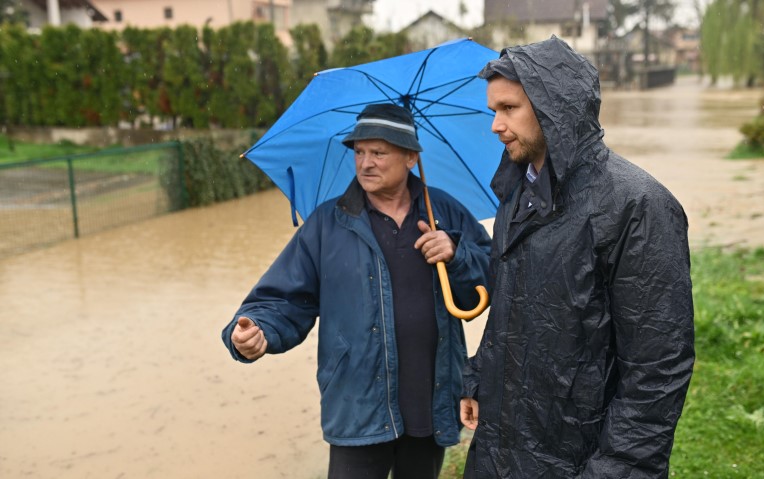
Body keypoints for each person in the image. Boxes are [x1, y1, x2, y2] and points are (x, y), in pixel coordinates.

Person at [459, 37, 695, 478]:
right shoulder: (515, 192)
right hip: (501, 447)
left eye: (509, 109)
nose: (496, 125)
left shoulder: (637, 206)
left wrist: (616, 468)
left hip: (579, 456)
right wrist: (477, 379)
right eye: (494, 110)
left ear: (556, 107)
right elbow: (509, 311)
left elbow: (657, 368)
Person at [221, 103, 492, 479]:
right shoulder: (326, 224)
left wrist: (457, 252)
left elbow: (493, 277)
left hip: (429, 402)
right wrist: (258, 331)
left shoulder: (443, 213)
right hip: (356, 406)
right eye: (359, 152)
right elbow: (282, 298)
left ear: (411, 157)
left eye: (379, 153)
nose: (365, 163)